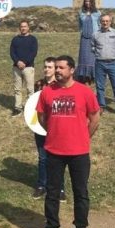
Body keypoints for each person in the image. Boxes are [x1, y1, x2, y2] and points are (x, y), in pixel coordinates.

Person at [37, 55, 101, 228]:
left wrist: (83, 136)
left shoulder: (84, 91)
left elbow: (95, 116)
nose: (57, 71)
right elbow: (41, 117)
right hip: (54, 150)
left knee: (81, 192)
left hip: (79, 152)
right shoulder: (47, 91)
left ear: (72, 70)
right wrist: (54, 133)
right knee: (53, 192)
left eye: (61, 68)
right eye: (56, 67)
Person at [32, 58, 65, 201]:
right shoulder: (38, 84)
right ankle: (42, 185)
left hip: (56, 126)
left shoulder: (60, 85)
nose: (47, 69)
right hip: (40, 126)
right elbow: (34, 104)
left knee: (59, 158)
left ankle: (60, 188)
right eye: (45, 66)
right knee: (43, 157)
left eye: (50, 67)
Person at [92, 14, 115, 116]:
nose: (105, 23)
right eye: (103, 21)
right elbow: (92, 46)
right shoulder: (95, 34)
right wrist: (98, 53)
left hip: (113, 63)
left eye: (107, 21)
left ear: (110, 22)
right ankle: (101, 106)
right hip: (99, 63)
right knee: (100, 86)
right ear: (100, 22)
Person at [9, 20, 38, 116]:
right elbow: (12, 52)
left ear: (28, 27)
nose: (23, 28)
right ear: (19, 28)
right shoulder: (15, 39)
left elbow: (33, 53)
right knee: (17, 89)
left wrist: (24, 63)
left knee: (30, 89)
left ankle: (30, 108)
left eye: (25, 26)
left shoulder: (33, 39)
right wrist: (17, 62)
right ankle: (18, 108)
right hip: (16, 68)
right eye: (21, 26)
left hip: (28, 67)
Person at [76, 0, 101, 84]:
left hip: (93, 37)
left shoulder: (97, 13)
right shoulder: (81, 13)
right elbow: (79, 25)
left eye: (89, 1)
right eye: (86, 1)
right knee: (83, 57)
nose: (87, 3)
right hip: (84, 38)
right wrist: (82, 32)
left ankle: (92, 75)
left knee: (92, 57)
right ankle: (83, 75)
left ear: (92, 2)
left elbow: (99, 25)